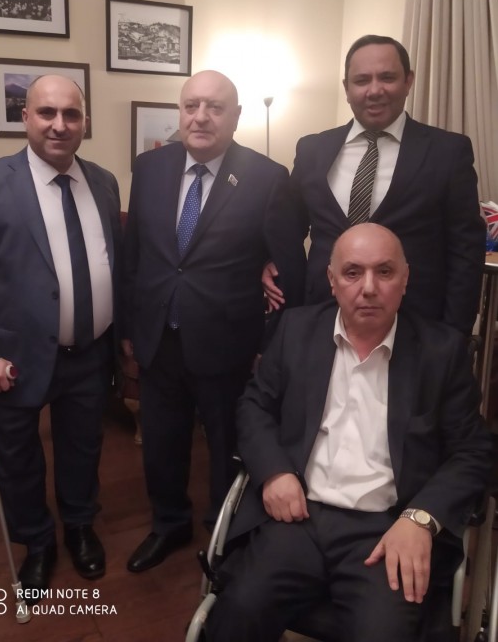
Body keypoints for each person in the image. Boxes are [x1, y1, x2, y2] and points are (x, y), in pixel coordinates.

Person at [207, 223, 492, 642]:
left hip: (389, 529)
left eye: (385, 272)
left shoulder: (441, 352)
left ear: (406, 278)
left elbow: (473, 450)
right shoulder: (297, 330)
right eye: (353, 272)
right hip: (298, 518)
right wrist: (274, 471)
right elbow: (254, 406)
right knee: (237, 612)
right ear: (332, 280)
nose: (369, 288)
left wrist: (421, 518)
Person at [123, 70, 306, 573]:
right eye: (192, 106)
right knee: (162, 443)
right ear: (180, 112)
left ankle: (223, 537)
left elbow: (289, 268)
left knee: (227, 447)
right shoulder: (150, 166)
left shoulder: (267, 177)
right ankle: (168, 525)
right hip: (159, 337)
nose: (201, 117)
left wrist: (270, 344)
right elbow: (134, 253)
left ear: (237, 116)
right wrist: (130, 329)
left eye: (215, 107)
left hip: (228, 344)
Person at [0, 76, 122, 594]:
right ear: (25, 117)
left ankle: (79, 527)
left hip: (90, 352)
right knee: (17, 457)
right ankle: (36, 541)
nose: (59, 124)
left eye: (71, 114)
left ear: (84, 122)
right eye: (47, 112)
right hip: (13, 358)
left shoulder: (104, 182)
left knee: (83, 448)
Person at [263, 34, 486, 337]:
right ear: (347, 88)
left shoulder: (447, 152)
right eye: (362, 80)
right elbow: (288, 229)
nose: (374, 90)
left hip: (414, 326)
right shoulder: (313, 149)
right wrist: (269, 261)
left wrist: (454, 335)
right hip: (320, 319)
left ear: (408, 81)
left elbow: (465, 251)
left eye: (387, 77)